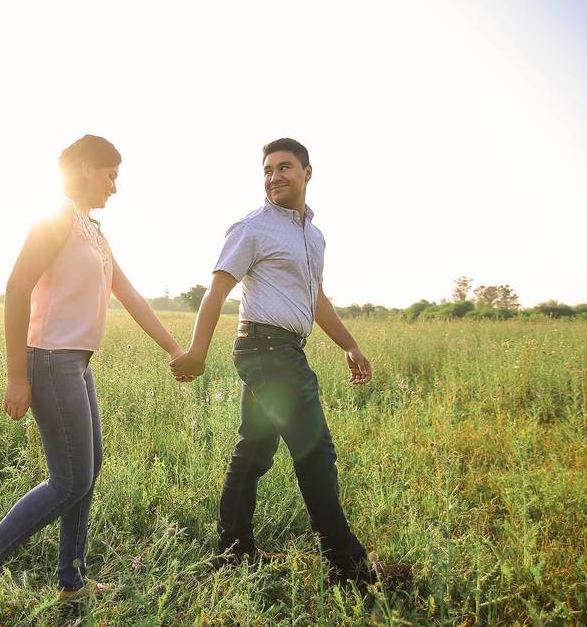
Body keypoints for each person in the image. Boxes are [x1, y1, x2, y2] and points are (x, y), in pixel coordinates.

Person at [0, 135, 192, 627]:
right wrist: (16, 373)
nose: (115, 187)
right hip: (50, 359)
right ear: (82, 167)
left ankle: (71, 580)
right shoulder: (55, 216)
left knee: (88, 471)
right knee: (69, 478)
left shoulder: (93, 233)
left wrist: (175, 348)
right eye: (110, 174)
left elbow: (132, 295)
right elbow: (16, 287)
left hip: (76, 361)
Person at [169, 137, 410, 587]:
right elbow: (218, 290)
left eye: (284, 167)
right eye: (267, 169)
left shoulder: (312, 236)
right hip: (265, 350)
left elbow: (317, 298)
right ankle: (348, 565)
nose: (274, 176)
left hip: (284, 348)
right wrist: (197, 351)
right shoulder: (252, 227)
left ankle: (235, 549)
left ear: (307, 172)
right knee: (316, 451)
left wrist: (350, 344)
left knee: (254, 450)